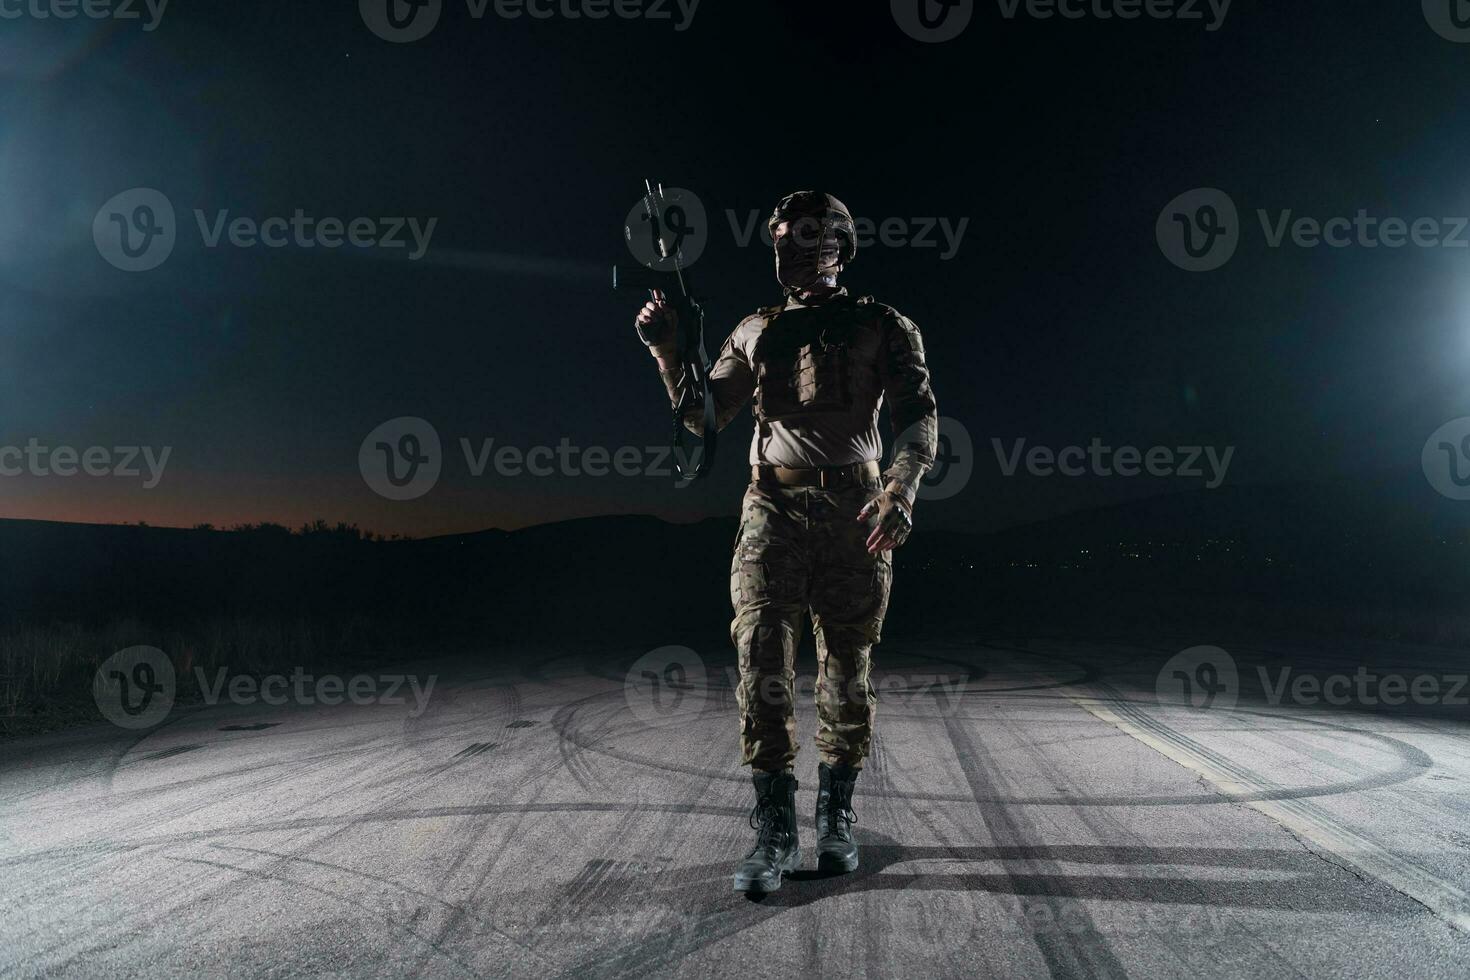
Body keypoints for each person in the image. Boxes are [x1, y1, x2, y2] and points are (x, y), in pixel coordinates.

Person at [634, 191, 938, 893]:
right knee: (760, 658)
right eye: (779, 236)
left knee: (847, 667)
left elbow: (920, 417)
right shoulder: (752, 331)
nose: (791, 248)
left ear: (840, 243)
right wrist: (667, 349)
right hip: (770, 504)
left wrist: (901, 491)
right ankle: (773, 832)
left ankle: (836, 819)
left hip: (856, 504)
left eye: (806, 234)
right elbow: (701, 419)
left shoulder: (882, 325)